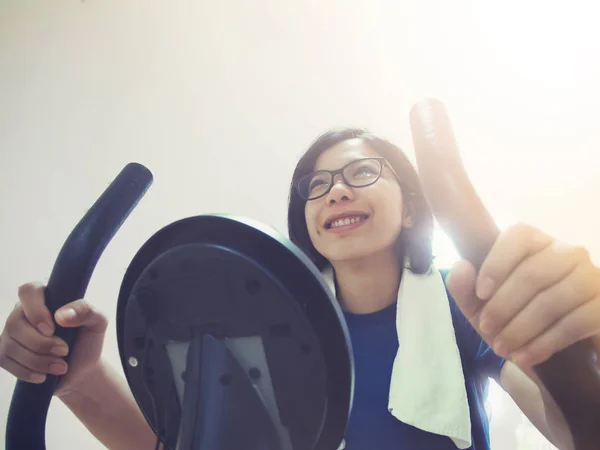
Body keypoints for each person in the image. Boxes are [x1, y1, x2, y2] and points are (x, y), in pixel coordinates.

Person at [1, 127, 599, 450]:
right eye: (317, 184)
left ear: (413, 207)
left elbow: (574, 430)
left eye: (362, 172)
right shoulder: (269, 323)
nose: (335, 191)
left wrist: (574, 350)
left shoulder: (460, 304)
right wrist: (76, 379)